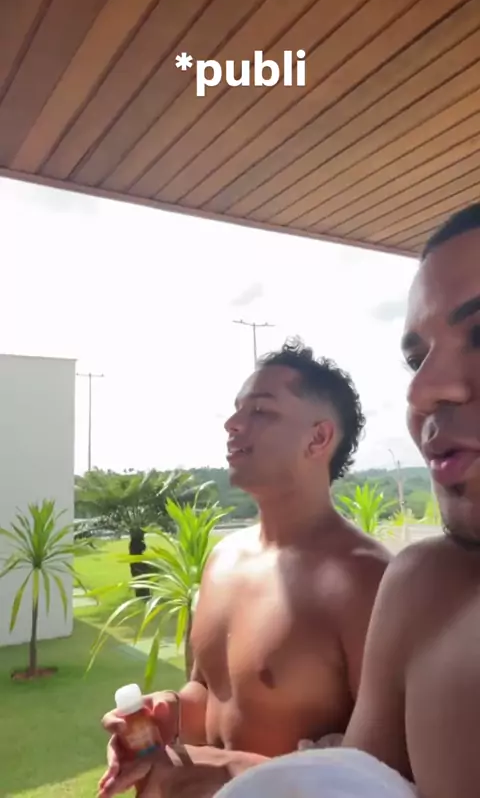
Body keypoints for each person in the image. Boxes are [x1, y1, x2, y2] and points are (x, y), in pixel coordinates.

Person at [216, 203, 480, 798]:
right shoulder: (424, 591)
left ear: (320, 439)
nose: (421, 389)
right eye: (416, 358)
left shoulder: (362, 578)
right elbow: (349, 783)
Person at [99, 339, 390, 796]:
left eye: (261, 411)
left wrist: (227, 769)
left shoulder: (367, 581)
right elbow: (210, 695)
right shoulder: (223, 560)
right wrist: (165, 713)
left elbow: (386, 773)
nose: (232, 424)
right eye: (237, 410)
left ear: (318, 438)